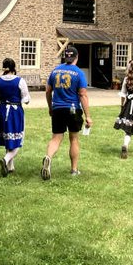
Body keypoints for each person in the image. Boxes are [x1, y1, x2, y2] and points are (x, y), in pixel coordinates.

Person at [41, 46, 92, 180]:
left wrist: (50, 107)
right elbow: (82, 94)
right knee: (73, 138)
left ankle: (48, 157)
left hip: (57, 108)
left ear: (65, 57)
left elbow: (47, 91)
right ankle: (74, 169)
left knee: (56, 138)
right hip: (72, 109)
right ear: (77, 57)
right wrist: (88, 116)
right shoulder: (79, 73)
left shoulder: (55, 71)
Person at [0, 57, 31, 176]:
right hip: (15, 111)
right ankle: (6, 160)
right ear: (13, 67)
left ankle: (10, 167)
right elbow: (26, 99)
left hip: (2, 110)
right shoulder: (19, 81)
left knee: (8, 137)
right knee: (18, 140)